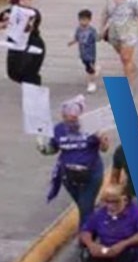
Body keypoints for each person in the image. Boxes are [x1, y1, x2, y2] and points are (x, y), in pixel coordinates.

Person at [42, 95, 109, 224]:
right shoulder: (59, 129)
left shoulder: (91, 126)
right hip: (68, 175)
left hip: (91, 173)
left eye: (76, 119)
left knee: (85, 205)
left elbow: (104, 149)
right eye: (70, 119)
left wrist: (103, 140)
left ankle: (84, 237)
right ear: (63, 117)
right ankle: (96, 226)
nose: (73, 122)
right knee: (83, 205)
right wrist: (44, 148)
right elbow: (54, 148)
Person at [2, 0, 46, 85]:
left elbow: (28, 27)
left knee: (29, 71)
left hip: (32, 42)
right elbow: (2, 23)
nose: (26, 1)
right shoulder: (9, 12)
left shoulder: (33, 12)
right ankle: (30, 87)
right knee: (13, 72)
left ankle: (34, 92)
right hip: (15, 44)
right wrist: (5, 22)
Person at [69, 8, 99, 93]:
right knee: (86, 65)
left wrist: (100, 37)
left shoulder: (92, 30)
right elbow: (77, 37)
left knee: (90, 68)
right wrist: (72, 42)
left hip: (91, 52)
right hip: (82, 52)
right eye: (81, 20)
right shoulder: (78, 29)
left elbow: (97, 38)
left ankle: (91, 83)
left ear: (89, 20)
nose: (83, 22)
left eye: (85, 20)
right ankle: (94, 71)